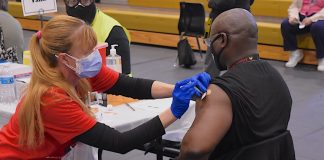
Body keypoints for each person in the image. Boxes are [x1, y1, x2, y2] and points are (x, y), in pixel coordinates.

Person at [0, 15, 211, 159]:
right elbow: (118, 142)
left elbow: (130, 85)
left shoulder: (79, 72)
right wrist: (174, 111)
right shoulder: (52, 99)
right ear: (65, 58)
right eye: (88, 50)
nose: (95, 55)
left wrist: (176, 89)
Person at [179, 9, 294, 159]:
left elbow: (193, 149)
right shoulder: (277, 79)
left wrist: (201, 108)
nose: (210, 47)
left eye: (210, 41)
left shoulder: (220, 92)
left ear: (222, 40)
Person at [64, 0, 132, 75]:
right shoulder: (63, 28)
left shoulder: (114, 32)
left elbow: (123, 77)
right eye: (73, 1)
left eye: (85, 1)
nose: (79, 6)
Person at [205, 0, 254, 78]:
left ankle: (209, 83)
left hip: (227, 22)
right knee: (241, 56)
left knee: (215, 55)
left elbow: (224, 3)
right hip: (243, 19)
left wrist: (211, 2)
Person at [281, 0, 324, 71]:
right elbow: (294, 6)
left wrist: (311, 19)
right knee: (286, 24)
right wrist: (293, 17)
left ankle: (322, 57)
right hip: (303, 16)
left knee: (318, 27)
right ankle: (295, 53)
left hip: (320, 17)